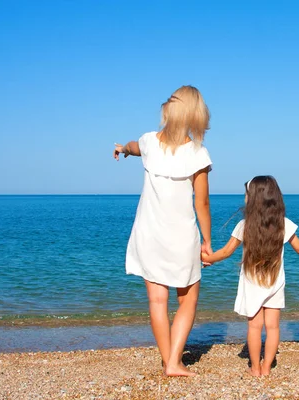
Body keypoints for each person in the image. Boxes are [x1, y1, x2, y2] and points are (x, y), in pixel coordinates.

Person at [113, 85, 212, 377]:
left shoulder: (148, 142)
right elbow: (202, 203)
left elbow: (132, 145)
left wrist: (123, 150)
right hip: (180, 236)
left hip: (148, 233)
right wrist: (207, 241)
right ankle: (173, 362)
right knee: (188, 298)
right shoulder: (197, 152)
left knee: (157, 301)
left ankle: (168, 360)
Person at [202, 176, 299, 376]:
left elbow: (226, 251)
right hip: (275, 281)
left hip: (252, 283)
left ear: (254, 199)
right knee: (273, 327)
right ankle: (267, 368)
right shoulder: (283, 224)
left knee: (255, 327)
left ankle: (255, 367)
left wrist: (208, 259)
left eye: (246, 194)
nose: (244, 197)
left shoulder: (244, 225)